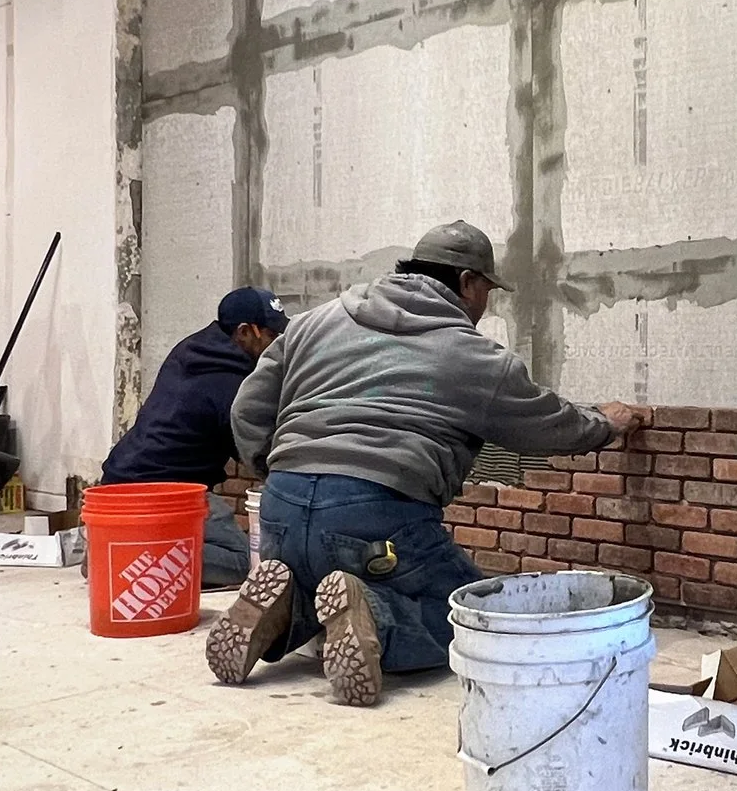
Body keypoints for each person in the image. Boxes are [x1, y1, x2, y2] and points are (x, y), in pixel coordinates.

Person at [208, 220, 640, 706]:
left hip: (282, 506)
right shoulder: (475, 357)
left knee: (330, 569)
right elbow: (549, 425)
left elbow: (246, 411)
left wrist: (282, 469)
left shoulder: (313, 322)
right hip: (378, 513)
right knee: (472, 614)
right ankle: (377, 618)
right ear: (467, 283)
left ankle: (289, 611)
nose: (484, 306)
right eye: (486, 293)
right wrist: (606, 421)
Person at [101, 286, 289, 590]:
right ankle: (125, 556)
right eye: (271, 336)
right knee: (244, 560)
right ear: (245, 332)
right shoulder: (229, 383)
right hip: (168, 491)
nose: (277, 345)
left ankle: (115, 546)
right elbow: (256, 454)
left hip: (118, 484)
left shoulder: (193, 349)